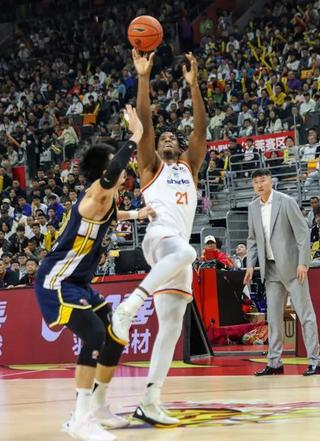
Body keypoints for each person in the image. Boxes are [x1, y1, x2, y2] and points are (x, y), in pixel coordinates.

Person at [34, 105, 153, 441]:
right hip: (56, 281)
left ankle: (98, 406)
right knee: (94, 336)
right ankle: (80, 418)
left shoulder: (107, 202)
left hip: (79, 282)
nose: (124, 170)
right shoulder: (95, 195)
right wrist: (136, 135)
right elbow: (113, 172)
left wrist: (137, 214)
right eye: (117, 165)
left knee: (114, 331)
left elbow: (112, 216)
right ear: (105, 171)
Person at [110, 50, 207, 427]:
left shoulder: (189, 166)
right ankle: (130, 305)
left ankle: (150, 399)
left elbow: (200, 130)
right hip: (159, 239)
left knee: (171, 326)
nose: (165, 139)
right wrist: (143, 77)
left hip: (175, 256)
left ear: (179, 148)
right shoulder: (150, 167)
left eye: (172, 138)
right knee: (189, 251)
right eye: (161, 138)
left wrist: (193, 85)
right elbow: (146, 125)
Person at [244, 168, 320, 377]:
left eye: (262, 180)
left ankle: (314, 361)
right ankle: (274, 362)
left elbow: (303, 233)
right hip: (270, 269)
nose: (259, 185)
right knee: (273, 318)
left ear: (271, 181)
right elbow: (252, 239)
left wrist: (303, 263)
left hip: (293, 268)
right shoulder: (252, 207)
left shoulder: (286, 201)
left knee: (305, 315)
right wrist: (250, 265)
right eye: (256, 182)